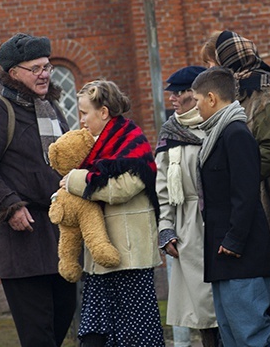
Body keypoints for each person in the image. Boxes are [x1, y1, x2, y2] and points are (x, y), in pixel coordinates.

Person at [0, 33, 75, 347]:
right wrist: (10, 205)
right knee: (38, 334)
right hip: (21, 239)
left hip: (57, 233)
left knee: (61, 319)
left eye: (47, 66)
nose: (44, 74)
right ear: (13, 74)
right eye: (35, 68)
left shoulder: (51, 108)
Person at [201, 30, 270, 345]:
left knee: (253, 321)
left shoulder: (263, 97)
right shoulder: (239, 99)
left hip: (263, 208)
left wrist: (240, 172)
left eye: (213, 65)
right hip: (247, 211)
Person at [61, 80, 164, 346]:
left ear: (104, 112)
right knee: (95, 335)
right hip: (100, 260)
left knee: (138, 337)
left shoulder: (133, 140)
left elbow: (122, 188)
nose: (80, 119)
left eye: (84, 112)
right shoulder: (96, 146)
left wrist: (74, 180)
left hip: (131, 258)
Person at [192, 66, 270, 347]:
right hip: (224, 257)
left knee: (249, 335)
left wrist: (234, 240)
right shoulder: (218, 134)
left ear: (212, 98)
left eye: (197, 100)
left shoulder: (236, 134)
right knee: (230, 336)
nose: (195, 106)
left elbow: (246, 193)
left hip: (242, 255)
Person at [155, 66, 218, 347]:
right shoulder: (170, 133)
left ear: (196, 94)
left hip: (217, 221)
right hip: (187, 226)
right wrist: (166, 228)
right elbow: (163, 189)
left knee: (225, 306)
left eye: (179, 92)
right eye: (172, 93)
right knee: (201, 311)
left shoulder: (217, 125)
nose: (173, 98)